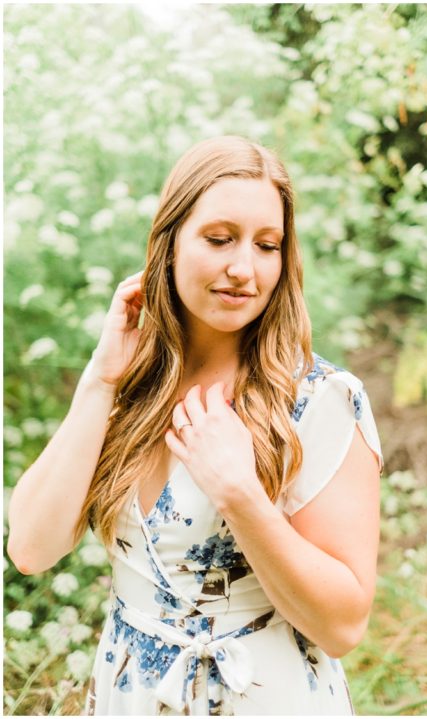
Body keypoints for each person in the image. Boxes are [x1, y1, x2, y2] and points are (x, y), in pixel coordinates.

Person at [6, 136, 383, 715]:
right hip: (130, 696)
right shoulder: (130, 388)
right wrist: (99, 380)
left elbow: (343, 626)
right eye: (219, 238)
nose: (243, 269)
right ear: (170, 243)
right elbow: (31, 548)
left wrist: (239, 492)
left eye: (267, 245)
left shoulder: (319, 401)